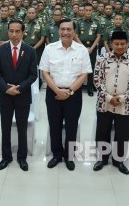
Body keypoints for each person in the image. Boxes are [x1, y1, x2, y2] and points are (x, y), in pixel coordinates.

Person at [39, 19, 92, 171]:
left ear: (74, 32)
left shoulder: (81, 50)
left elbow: (84, 75)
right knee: (54, 124)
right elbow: (45, 72)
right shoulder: (50, 49)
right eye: (63, 29)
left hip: (73, 94)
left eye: (69, 29)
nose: (65, 32)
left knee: (71, 125)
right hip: (53, 93)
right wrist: (57, 90)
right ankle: (56, 154)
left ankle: (69, 156)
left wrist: (68, 92)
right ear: (58, 31)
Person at [93, 31, 129, 174]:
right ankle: (102, 158)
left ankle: (118, 160)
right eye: (116, 44)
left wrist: (121, 98)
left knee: (122, 133)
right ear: (111, 44)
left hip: (124, 105)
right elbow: (97, 80)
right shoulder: (102, 59)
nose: (119, 46)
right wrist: (108, 97)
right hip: (104, 103)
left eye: (122, 44)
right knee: (102, 132)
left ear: (127, 44)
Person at [0, 20, 38, 171]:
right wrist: (6, 88)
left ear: (22, 32)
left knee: (22, 127)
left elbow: (33, 75)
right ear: (8, 32)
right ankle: (6, 157)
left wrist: (20, 87)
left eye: (17, 31)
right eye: (11, 31)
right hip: (5, 95)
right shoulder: (0, 50)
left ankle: (22, 157)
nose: (14, 34)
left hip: (22, 95)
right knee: (5, 127)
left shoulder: (30, 51)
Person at [75, 3, 101, 96]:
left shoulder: (96, 22)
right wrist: (83, 48)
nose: (88, 12)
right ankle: (79, 86)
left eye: (90, 10)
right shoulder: (78, 22)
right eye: (86, 10)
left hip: (92, 47)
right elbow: (76, 36)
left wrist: (91, 48)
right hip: (80, 47)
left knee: (91, 67)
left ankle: (90, 87)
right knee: (79, 67)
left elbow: (98, 37)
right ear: (83, 11)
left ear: (92, 11)